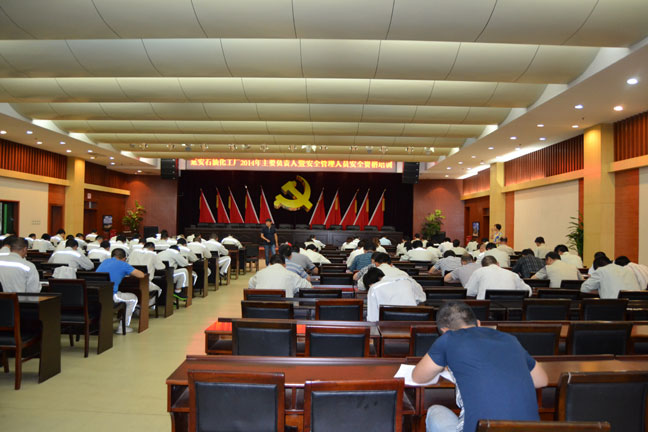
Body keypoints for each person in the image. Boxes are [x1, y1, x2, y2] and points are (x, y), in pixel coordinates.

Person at [412, 302, 548, 432]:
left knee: (434, 412)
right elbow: (542, 380)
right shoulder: (509, 339)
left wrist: (443, 366)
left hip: (483, 428)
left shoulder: (448, 339)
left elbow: (418, 377)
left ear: (445, 330)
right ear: (478, 323)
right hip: (529, 429)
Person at [97, 249, 145, 334]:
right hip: (110, 296)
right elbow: (141, 275)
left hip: (97, 295)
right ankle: (123, 327)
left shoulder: (105, 261)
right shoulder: (123, 264)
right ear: (124, 258)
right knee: (133, 298)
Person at [465, 256, 532, 299]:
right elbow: (529, 291)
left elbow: (468, 291)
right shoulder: (513, 274)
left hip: (486, 311)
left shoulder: (479, 271)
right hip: (509, 311)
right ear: (498, 264)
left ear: (483, 267)